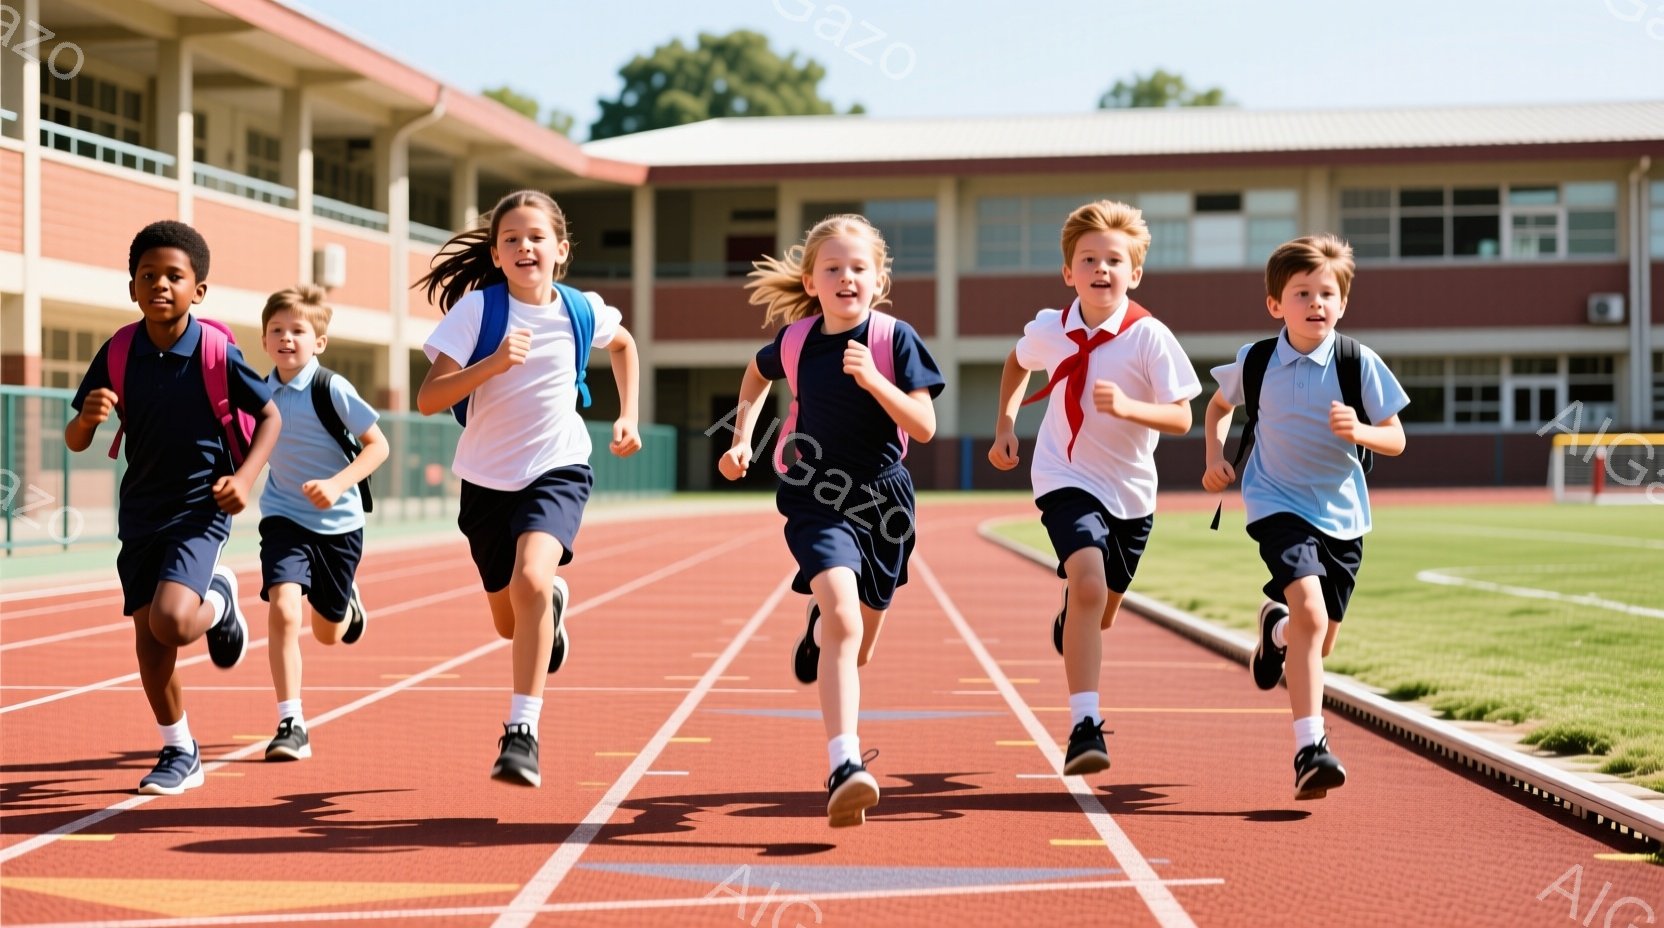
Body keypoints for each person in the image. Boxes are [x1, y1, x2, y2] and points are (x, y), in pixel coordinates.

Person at [716, 214, 944, 827]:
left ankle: (822, 626)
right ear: (812, 282)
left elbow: (923, 427)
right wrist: (742, 438)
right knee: (843, 620)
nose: (846, 277)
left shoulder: (896, 340)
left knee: (857, 645)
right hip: (814, 490)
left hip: (884, 502)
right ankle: (845, 764)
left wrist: (874, 381)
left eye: (858, 268)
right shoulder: (794, 342)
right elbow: (756, 375)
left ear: (879, 279)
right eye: (833, 268)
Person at [415, 190, 641, 787]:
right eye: (511, 239)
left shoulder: (578, 309)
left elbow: (624, 345)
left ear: (560, 250)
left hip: (558, 467)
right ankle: (550, 610)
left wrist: (628, 415)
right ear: (495, 253)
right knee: (509, 620)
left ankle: (522, 731)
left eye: (536, 237)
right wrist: (490, 364)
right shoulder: (476, 313)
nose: (524, 247)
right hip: (486, 479)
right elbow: (429, 399)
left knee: (532, 579)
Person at [65, 220, 280, 795]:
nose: (160, 285)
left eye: (174, 276)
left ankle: (219, 600)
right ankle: (179, 749)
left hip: (200, 505)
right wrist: (87, 419)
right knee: (149, 641)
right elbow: (75, 439)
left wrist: (246, 476)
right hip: (140, 511)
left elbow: (270, 417)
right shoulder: (117, 352)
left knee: (174, 621)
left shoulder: (216, 352)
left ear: (198, 290)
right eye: (148, 275)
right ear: (132, 286)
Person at [988, 200, 1200, 776]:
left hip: (1131, 495)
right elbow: (1016, 363)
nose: (1101, 269)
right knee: (1086, 581)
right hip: (1064, 476)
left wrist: (1132, 407)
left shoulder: (1149, 337)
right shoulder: (1051, 329)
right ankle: (1085, 724)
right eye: (1089, 259)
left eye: (1114, 260)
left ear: (1135, 273)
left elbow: (1183, 417)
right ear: (1068, 272)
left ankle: (1074, 618)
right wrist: (1006, 423)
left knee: (1098, 611)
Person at [1201, 233, 1408, 800]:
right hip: (1276, 502)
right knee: (1313, 618)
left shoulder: (1357, 362)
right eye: (1302, 293)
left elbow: (1395, 439)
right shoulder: (1258, 359)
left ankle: (1276, 631)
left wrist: (1360, 430)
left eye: (1326, 294)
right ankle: (1309, 749)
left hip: (1343, 515)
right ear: (1276, 305)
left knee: (1318, 638)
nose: (1315, 303)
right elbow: (1219, 406)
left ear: (1342, 304)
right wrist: (1216, 458)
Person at [255, 284, 389, 761]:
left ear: (320, 342)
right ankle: (291, 722)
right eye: (277, 330)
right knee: (284, 609)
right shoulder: (258, 391)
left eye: (298, 331)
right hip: (283, 517)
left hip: (339, 524)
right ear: (265, 339)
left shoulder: (331, 388)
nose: (287, 338)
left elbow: (378, 446)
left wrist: (336, 483)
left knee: (328, 632)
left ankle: (347, 607)